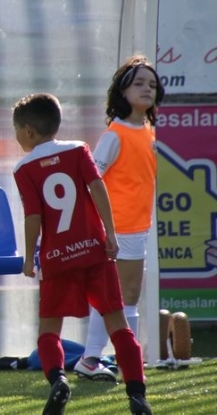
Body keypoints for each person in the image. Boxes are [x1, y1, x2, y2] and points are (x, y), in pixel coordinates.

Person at [12, 93, 151, 415]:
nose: (16, 136)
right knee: (118, 323)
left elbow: (33, 216)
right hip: (94, 251)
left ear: (29, 131)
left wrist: (28, 256)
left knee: (49, 330)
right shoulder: (78, 150)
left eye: (16, 130)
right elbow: (97, 187)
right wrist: (111, 233)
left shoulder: (24, 168)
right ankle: (137, 394)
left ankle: (59, 380)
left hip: (56, 258)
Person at [76, 55, 165, 380]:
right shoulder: (115, 135)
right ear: (122, 91)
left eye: (152, 85)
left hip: (135, 229)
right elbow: (91, 179)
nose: (147, 89)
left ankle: (91, 359)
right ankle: (126, 361)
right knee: (125, 296)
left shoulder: (147, 130)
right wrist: (101, 227)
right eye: (139, 83)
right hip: (120, 230)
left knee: (117, 298)